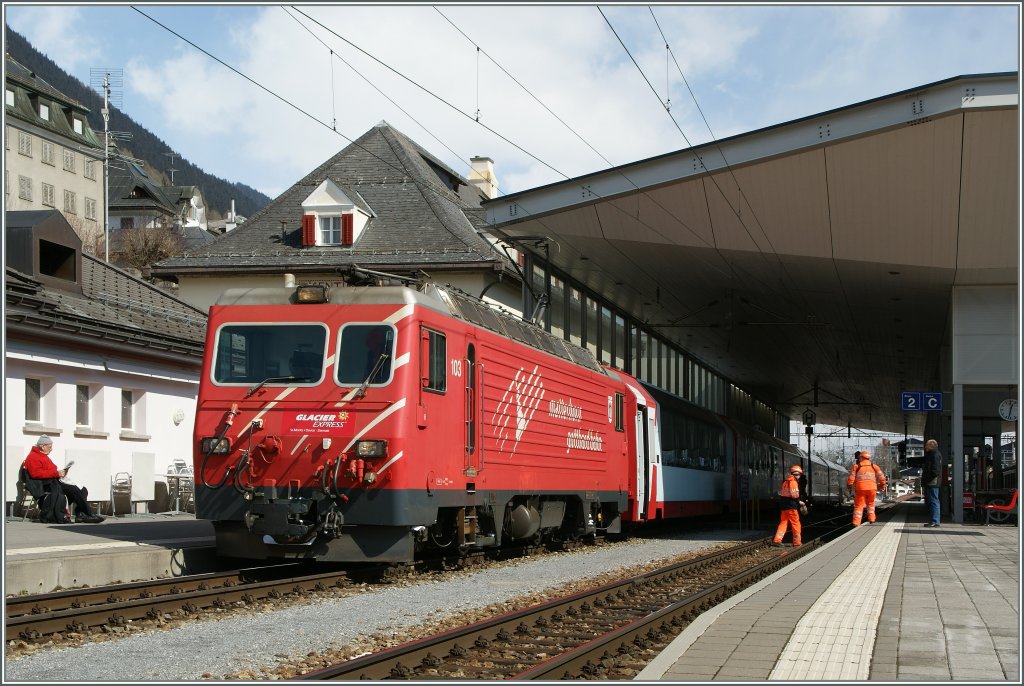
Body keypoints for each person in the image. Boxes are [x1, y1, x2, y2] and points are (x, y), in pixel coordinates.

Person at [22, 436, 105, 523]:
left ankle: (80, 514)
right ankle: (88, 514)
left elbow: (50, 471)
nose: (51, 449)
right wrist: (57, 473)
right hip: (47, 484)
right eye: (50, 447)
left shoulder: (42, 455)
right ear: (43, 446)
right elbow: (36, 474)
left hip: (54, 481)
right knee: (75, 490)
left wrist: (62, 473)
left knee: (83, 490)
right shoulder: (33, 457)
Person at [848, 451, 886, 526]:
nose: (859, 459)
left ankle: (856, 522)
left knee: (859, 505)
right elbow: (882, 478)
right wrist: (882, 486)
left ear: (861, 457)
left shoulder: (856, 466)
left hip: (860, 489)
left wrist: (849, 485)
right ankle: (872, 519)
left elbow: (851, 477)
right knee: (871, 503)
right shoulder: (874, 466)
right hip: (872, 489)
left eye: (859, 458)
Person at [772, 465, 805, 547]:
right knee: (796, 523)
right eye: (799, 474)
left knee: (783, 523)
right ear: (797, 474)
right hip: (791, 506)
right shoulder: (793, 482)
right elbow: (795, 495)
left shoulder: (786, 481)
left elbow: (783, 494)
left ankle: (777, 540)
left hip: (784, 506)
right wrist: (800, 502)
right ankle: (797, 542)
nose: (799, 476)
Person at [921, 439, 942, 527]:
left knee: (934, 501)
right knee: (932, 500)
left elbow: (935, 470)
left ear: (932, 445)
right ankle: (933, 520)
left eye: (927, 445)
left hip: (933, 481)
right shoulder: (932, 454)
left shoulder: (935, 455)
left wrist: (927, 479)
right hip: (931, 481)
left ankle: (935, 521)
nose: (925, 447)